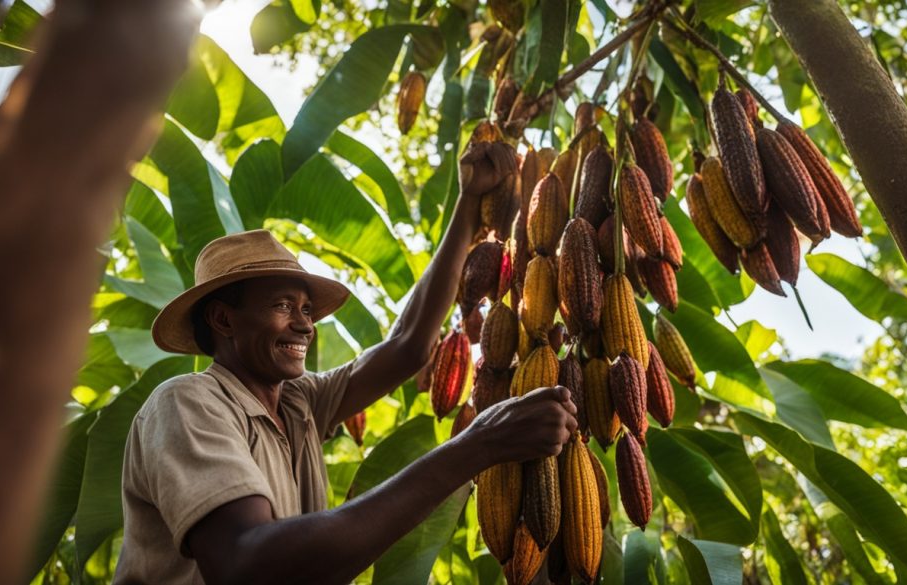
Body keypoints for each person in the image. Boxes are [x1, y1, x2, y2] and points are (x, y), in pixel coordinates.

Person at [112, 152, 579, 585]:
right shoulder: (187, 404)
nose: (304, 326)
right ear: (223, 319)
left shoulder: (298, 404)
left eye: (307, 311)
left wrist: (469, 201)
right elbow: (246, 562)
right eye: (282, 306)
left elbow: (409, 345)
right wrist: (479, 445)